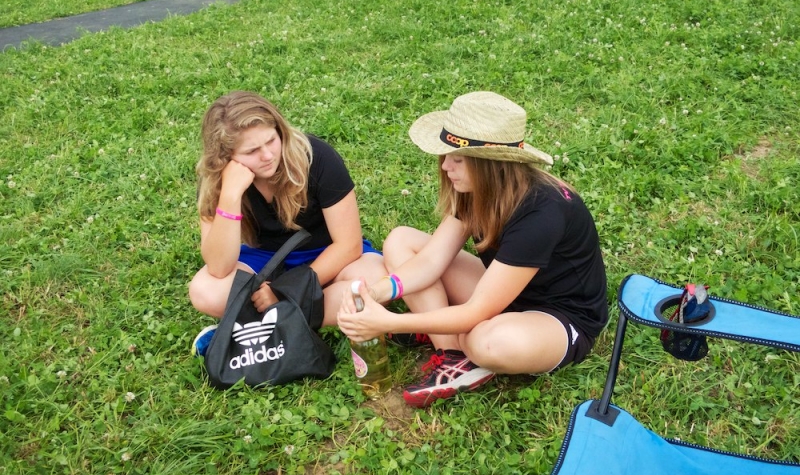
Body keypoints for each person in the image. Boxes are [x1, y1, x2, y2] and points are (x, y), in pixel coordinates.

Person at [338, 92, 608, 408]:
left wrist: (388, 322)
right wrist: (376, 293)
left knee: (485, 342)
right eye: (446, 155)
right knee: (401, 240)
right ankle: (453, 356)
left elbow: (477, 311)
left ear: (490, 164)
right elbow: (431, 261)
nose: (444, 167)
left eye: (457, 159)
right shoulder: (478, 189)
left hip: (559, 318)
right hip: (504, 291)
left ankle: (457, 341)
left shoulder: (542, 212)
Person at [188, 90, 386, 354]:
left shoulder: (317, 156)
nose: (267, 155)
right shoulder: (216, 179)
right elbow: (219, 267)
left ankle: (257, 326)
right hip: (266, 262)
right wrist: (230, 196)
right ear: (225, 157)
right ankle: (293, 320)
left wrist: (284, 292)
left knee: (375, 279)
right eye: (251, 151)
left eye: (271, 140)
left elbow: (349, 245)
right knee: (205, 291)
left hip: (327, 257)